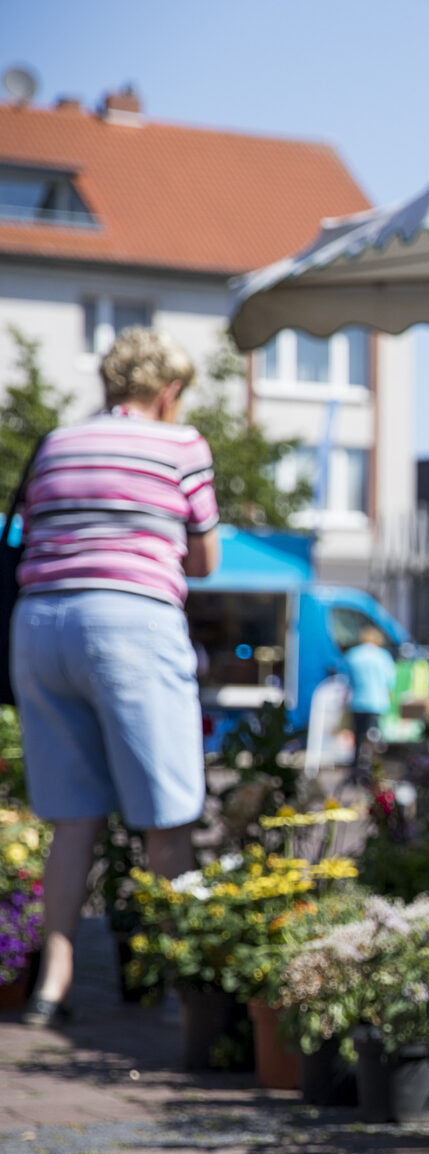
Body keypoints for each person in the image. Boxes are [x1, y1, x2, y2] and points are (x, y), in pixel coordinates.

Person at [11, 328, 219, 1027]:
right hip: (130, 622)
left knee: (73, 816)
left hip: (39, 627)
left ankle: (54, 982)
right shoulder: (181, 443)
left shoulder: (56, 443)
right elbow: (205, 558)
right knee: (167, 814)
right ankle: (181, 987)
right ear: (168, 391)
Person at [343, 624, 396, 763]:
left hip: (358, 701)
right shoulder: (383, 656)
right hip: (377, 702)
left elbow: (347, 680)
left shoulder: (353, 655)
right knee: (373, 736)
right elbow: (390, 681)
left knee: (358, 736)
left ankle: (356, 766)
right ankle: (372, 766)